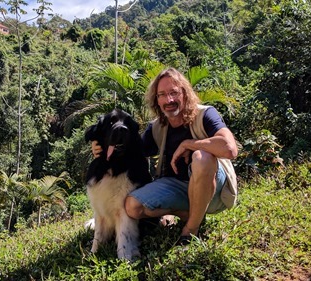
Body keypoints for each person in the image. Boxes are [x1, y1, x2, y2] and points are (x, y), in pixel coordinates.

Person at [92, 67, 238, 245]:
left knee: (202, 158)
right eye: (162, 94)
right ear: (157, 100)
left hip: (215, 189)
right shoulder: (157, 128)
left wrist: (189, 144)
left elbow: (230, 149)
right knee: (132, 206)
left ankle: (190, 230)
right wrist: (103, 145)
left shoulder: (205, 114)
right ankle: (193, 214)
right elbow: (131, 150)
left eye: (173, 93)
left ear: (184, 94)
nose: (169, 100)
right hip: (178, 188)